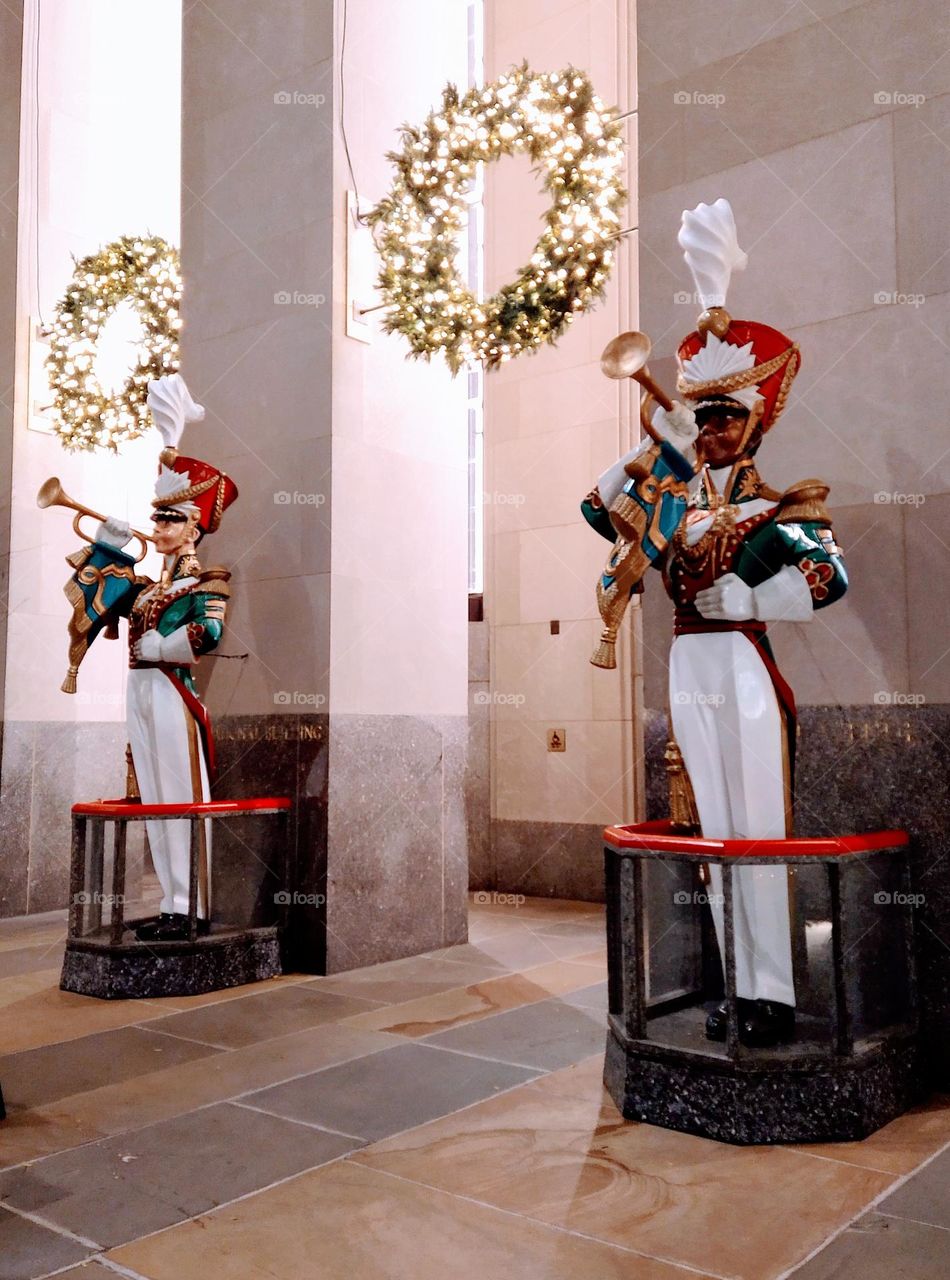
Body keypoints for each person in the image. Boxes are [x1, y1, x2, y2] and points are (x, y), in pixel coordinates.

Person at [583, 200, 848, 1046]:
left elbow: (828, 574)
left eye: (727, 417)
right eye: (703, 420)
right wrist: (650, 450)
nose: (715, 431)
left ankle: (773, 993)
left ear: (755, 421)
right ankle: (738, 983)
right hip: (688, 666)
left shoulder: (780, 503)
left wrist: (756, 600)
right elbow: (597, 510)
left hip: (743, 664)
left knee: (760, 827)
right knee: (714, 832)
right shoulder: (671, 497)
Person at [62, 374, 237, 941]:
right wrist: (110, 544)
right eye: (156, 517)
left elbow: (208, 633)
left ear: (194, 529)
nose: (157, 526)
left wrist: (164, 646)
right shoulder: (150, 583)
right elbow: (107, 596)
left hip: (171, 689)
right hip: (142, 690)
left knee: (182, 797)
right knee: (157, 798)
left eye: (169, 519)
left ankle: (194, 906)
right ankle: (171, 899)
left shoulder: (206, 578)